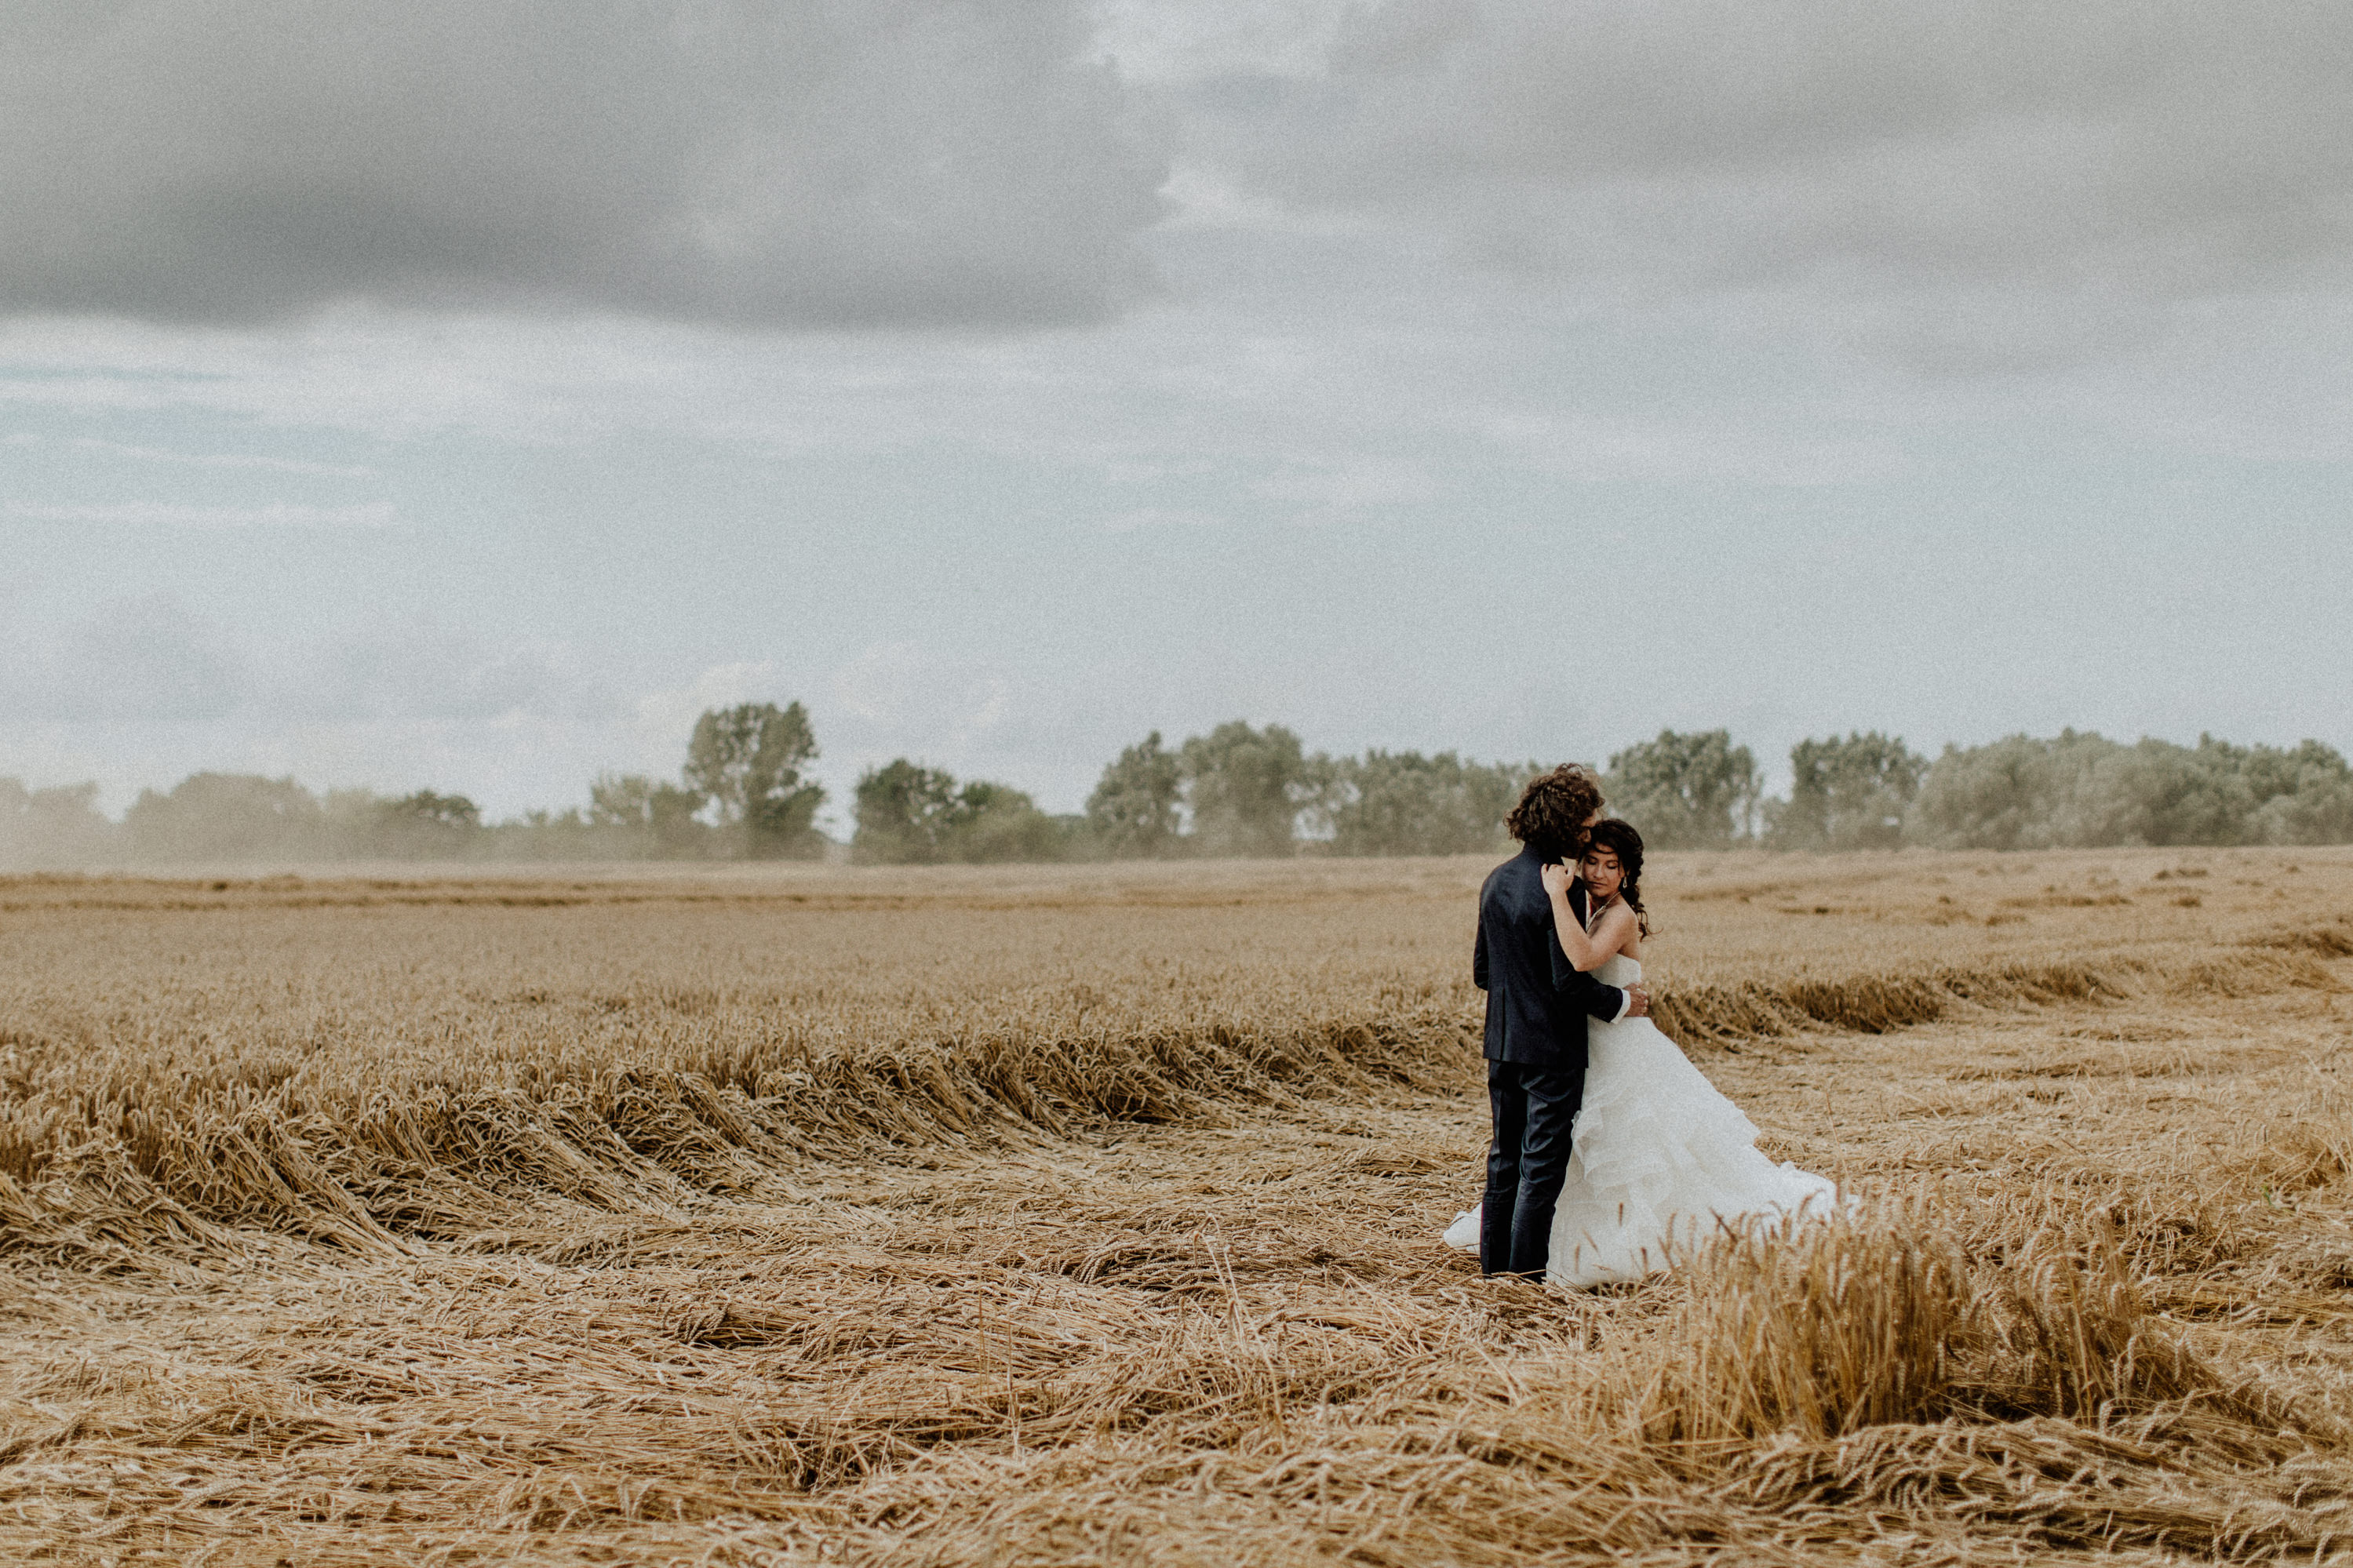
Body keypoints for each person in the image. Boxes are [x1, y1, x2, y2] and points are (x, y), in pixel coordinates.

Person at [1446, 818, 1838, 1285]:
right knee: (1563, 1149)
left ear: (1627, 874)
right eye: (1591, 861)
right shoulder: (1582, 906)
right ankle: (1534, 1249)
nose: (1598, 873)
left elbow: (1581, 962)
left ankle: (1626, 1239)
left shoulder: (1618, 916)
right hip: (1579, 1043)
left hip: (1620, 1047)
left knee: (1634, 1148)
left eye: (1612, 866)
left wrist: (1554, 896)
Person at [1463, 765, 1647, 1282]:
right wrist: (1619, 1002)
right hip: (1551, 1051)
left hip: (1501, 1043)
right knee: (1539, 1169)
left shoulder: (1494, 880)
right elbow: (1568, 984)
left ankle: (1491, 1270)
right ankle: (1523, 1277)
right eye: (1584, 828)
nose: (1589, 835)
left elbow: (1483, 972)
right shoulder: (1560, 888)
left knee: (1502, 1162)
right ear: (1563, 825)